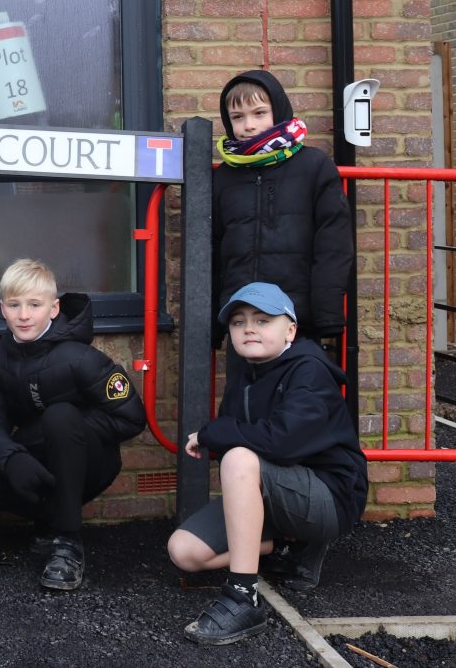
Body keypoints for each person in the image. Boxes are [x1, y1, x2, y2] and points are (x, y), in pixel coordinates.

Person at [167, 282, 368, 645]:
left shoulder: (309, 371)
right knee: (184, 552)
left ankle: (243, 596)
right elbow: (245, 436)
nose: (249, 329)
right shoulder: (246, 373)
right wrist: (223, 435)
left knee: (239, 457)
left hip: (329, 498)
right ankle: (290, 548)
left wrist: (214, 433)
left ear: (289, 329)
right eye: (239, 322)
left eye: (262, 320)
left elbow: (282, 442)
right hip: (277, 496)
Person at [0, 259, 146, 590]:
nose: (23, 315)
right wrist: (12, 458)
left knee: (60, 416)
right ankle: (48, 521)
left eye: (34, 305)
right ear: (2, 309)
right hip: (38, 461)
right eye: (14, 305)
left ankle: (67, 541)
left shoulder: (80, 357)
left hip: (92, 462)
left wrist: (64, 431)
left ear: (53, 308)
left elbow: (132, 417)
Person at [212, 69, 353, 348]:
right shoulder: (224, 176)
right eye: (238, 117)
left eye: (259, 113)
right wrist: (213, 326)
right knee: (246, 391)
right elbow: (214, 251)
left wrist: (327, 315)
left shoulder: (314, 166)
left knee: (298, 390)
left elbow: (333, 245)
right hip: (243, 317)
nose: (249, 125)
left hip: (296, 318)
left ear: (278, 110)